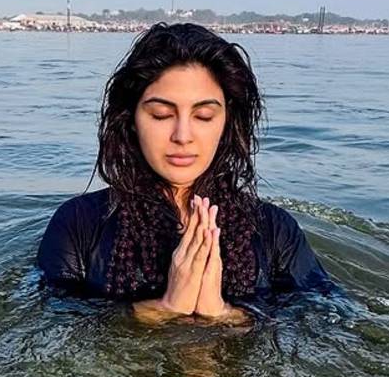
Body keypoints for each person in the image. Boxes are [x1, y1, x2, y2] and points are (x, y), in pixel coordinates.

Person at [37, 22, 331, 325]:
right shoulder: (78, 224)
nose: (183, 135)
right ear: (132, 119)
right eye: (161, 115)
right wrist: (161, 309)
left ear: (227, 122)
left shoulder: (274, 230)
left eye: (204, 116)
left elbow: (326, 316)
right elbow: (51, 316)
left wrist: (227, 315)